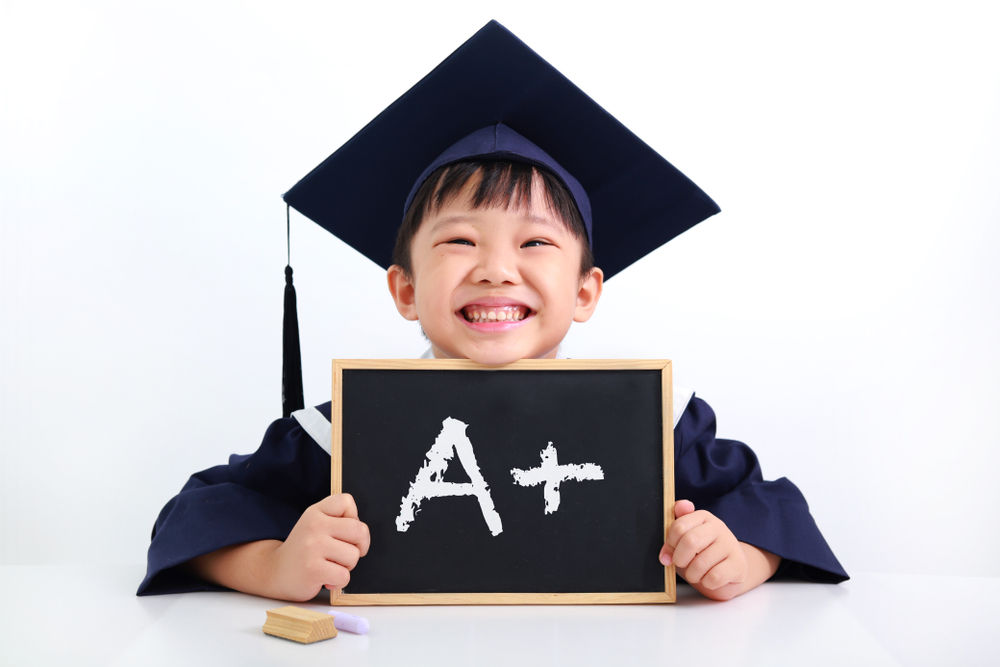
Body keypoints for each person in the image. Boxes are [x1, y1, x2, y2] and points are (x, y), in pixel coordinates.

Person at [138, 20, 847, 603]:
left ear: (585, 292)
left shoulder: (652, 425)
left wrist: (740, 557)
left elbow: (770, 505)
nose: (496, 268)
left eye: (535, 241)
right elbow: (194, 516)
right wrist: (273, 567)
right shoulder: (341, 433)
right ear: (406, 290)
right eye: (459, 241)